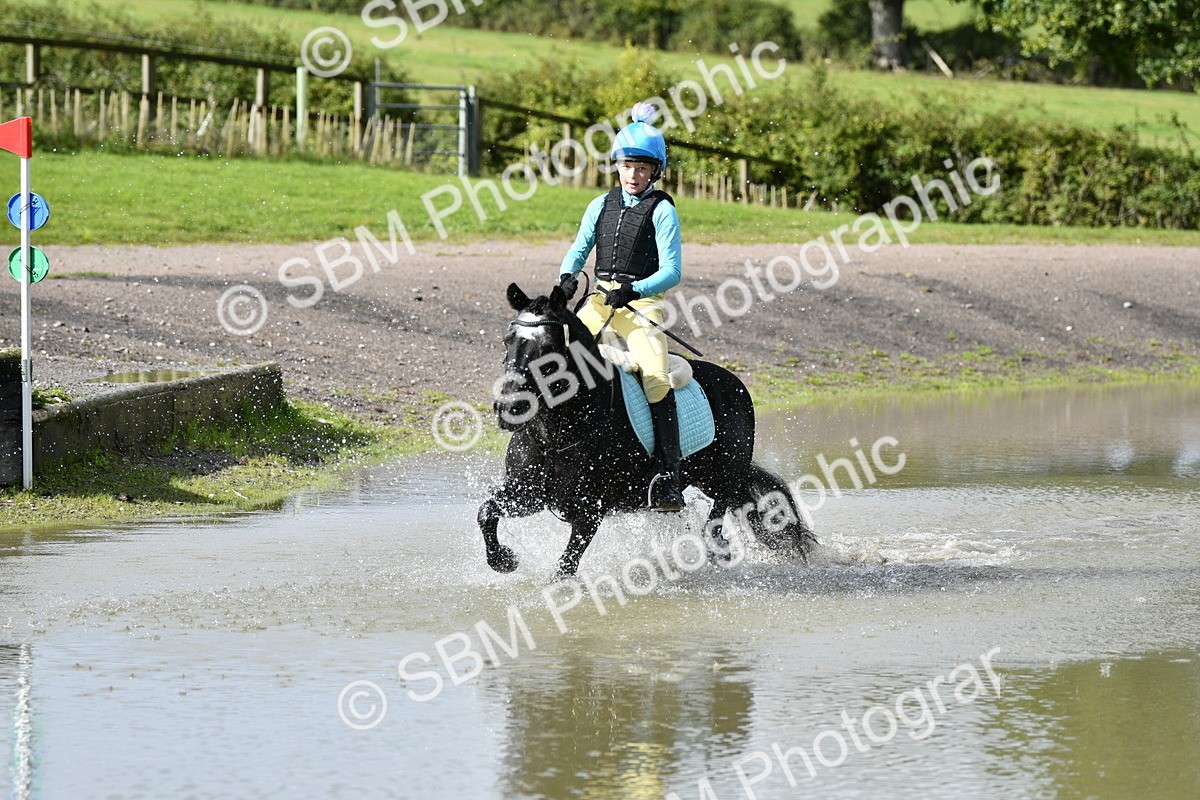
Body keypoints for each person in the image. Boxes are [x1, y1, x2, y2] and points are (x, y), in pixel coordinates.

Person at [558, 102, 685, 512]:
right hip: (598, 302)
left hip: (643, 305)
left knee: (655, 376)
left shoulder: (663, 211)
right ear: (617, 166)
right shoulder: (599, 205)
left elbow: (672, 271)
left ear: (655, 172)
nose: (634, 175)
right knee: (558, 352)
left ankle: (668, 477)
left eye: (643, 168)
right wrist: (567, 276)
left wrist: (634, 289)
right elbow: (578, 251)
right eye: (628, 167)